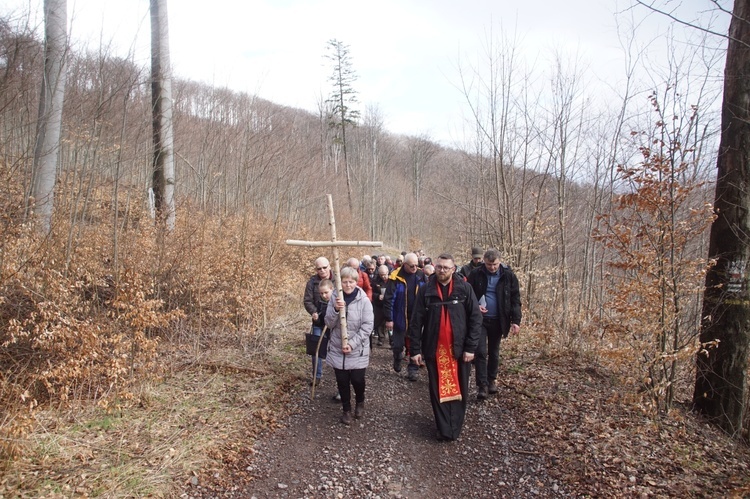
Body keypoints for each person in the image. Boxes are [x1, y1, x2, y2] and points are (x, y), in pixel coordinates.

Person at [409, 253, 483, 441]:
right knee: (437, 389)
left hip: (459, 351)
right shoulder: (426, 290)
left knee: (460, 390)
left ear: (453, 269)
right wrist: (415, 350)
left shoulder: (465, 289)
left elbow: (475, 319)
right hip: (435, 349)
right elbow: (416, 321)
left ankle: (455, 428)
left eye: (446, 267)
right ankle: (443, 428)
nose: (442, 270)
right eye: (439, 267)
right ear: (435, 267)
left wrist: (471, 348)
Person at [466, 248, 522, 399]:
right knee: (481, 352)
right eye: (489, 264)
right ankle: (482, 385)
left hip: (499, 320)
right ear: (484, 261)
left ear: (500, 261)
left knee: (494, 352)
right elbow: (468, 294)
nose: (492, 267)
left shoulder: (508, 276)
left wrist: (516, 321)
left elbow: (515, 299)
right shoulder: (476, 274)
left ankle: (492, 380)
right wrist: (475, 306)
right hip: (480, 320)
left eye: (495, 264)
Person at [325, 266, 374, 425]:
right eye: (345, 282)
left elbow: (367, 326)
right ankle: (346, 410)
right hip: (338, 347)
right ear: (340, 283)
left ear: (356, 282)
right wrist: (335, 309)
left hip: (357, 348)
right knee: (342, 381)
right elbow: (328, 323)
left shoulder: (364, 300)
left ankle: (360, 401)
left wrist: (352, 344)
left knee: (358, 379)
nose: (348, 285)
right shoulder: (334, 298)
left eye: (351, 282)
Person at [383, 252, 425, 381]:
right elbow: (388, 299)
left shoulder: (421, 275)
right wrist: (389, 318)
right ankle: (397, 357)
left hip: (416, 316)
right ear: (405, 264)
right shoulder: (395, 277)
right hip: (399, 316)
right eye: (411, 266)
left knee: (415, 344)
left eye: (416, 265)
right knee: (397, 345)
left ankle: (413, 369)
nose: (414, 268)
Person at [310, 279, 333, 385]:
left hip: (332, 330)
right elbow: (320, 319)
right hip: (321, 327)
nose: (324, 295)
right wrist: (316, 318)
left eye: (326, 292)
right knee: (316, 349)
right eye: (321, 293)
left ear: (332, 289)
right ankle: (316, 376)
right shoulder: (320, 302)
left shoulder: (336, 301)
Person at [371, 265, 390, 346]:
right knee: (379, 322)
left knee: (390, 322)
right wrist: (377, 296)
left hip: (389, 304)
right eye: (381, 275)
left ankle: (392, 340)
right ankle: (381, 338)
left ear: (388, 272)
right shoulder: (375, 281)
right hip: (379, 305)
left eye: (384, 274)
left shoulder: (392, 280)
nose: (383, 276)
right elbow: (371, 292)